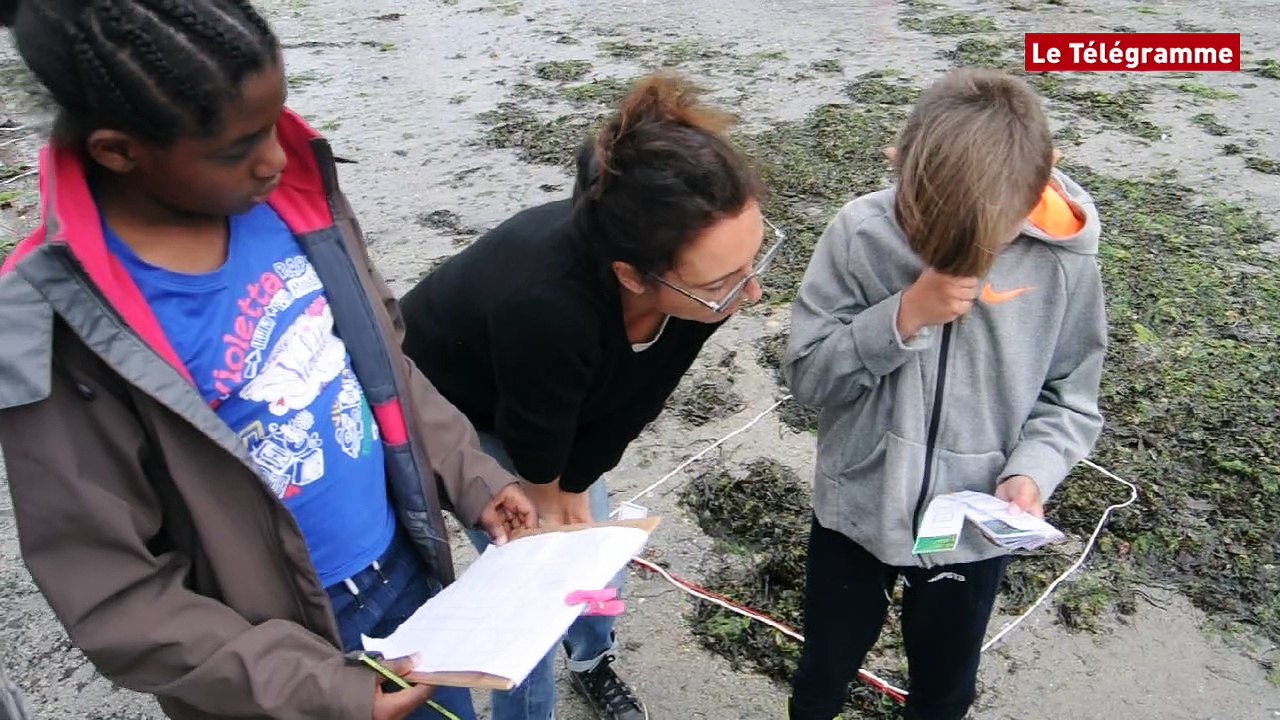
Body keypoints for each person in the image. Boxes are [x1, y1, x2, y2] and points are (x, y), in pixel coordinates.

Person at [0, 2, 537, 719]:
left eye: (276, 119)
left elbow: (381, 370)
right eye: (236, 145)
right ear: (117, 151)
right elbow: (115, 593)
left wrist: (471, 476)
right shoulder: (59, 325)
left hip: (406, 573)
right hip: (275, 661)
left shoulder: (293, 203)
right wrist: (321, 691)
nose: (275, 158)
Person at [398, 71, 778, 720]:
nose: (752, 295)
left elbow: (633, 403)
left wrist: (577, 487)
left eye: (756, 260)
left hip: (541, 397)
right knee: (537, 596)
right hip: (447, 401)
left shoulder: (698, 292)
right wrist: (552, 504)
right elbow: (533, 434)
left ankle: (593, 655)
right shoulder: (545, 305)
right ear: (631, 274)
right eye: (727, 279)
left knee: (599, 568)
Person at [781, 67, 1108, 720]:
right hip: (855, 511)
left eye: (990, 239)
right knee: (822, 673)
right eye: (926, 232)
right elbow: (809, 376)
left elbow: (1070, 400)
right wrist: (902, 316)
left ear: (1045, 174)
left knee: (944, 689)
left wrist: (1031, 473)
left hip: (970, 529)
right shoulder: (858, 233)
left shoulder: (1066, 265)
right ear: (896, 163)